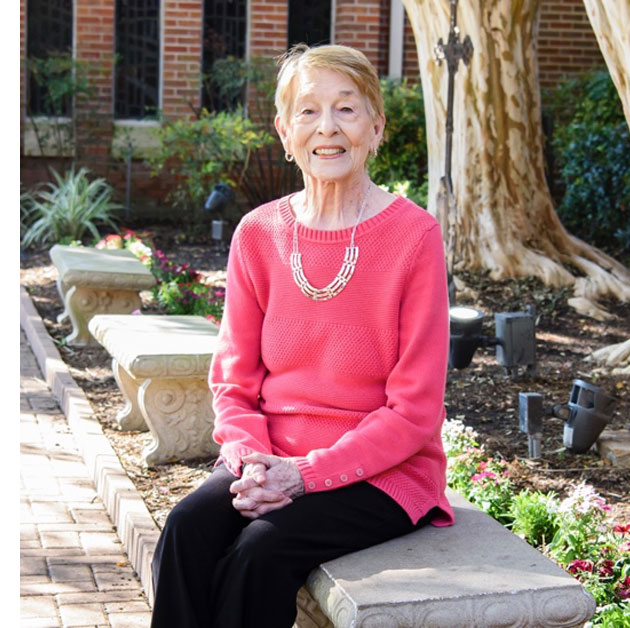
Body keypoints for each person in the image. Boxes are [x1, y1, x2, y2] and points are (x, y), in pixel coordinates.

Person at [150, 43, 454, 628]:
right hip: (268, 455)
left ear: (375, 127)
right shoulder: (258, 232)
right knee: (187, 528)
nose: (327, 127)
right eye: (308, 110)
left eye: (347, 108)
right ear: (285, 131)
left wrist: (305, 474)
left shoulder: (414, 236)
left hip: (384, 471)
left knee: (259, 551)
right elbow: (234, 382)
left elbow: (415, 411)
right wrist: (250, 463)